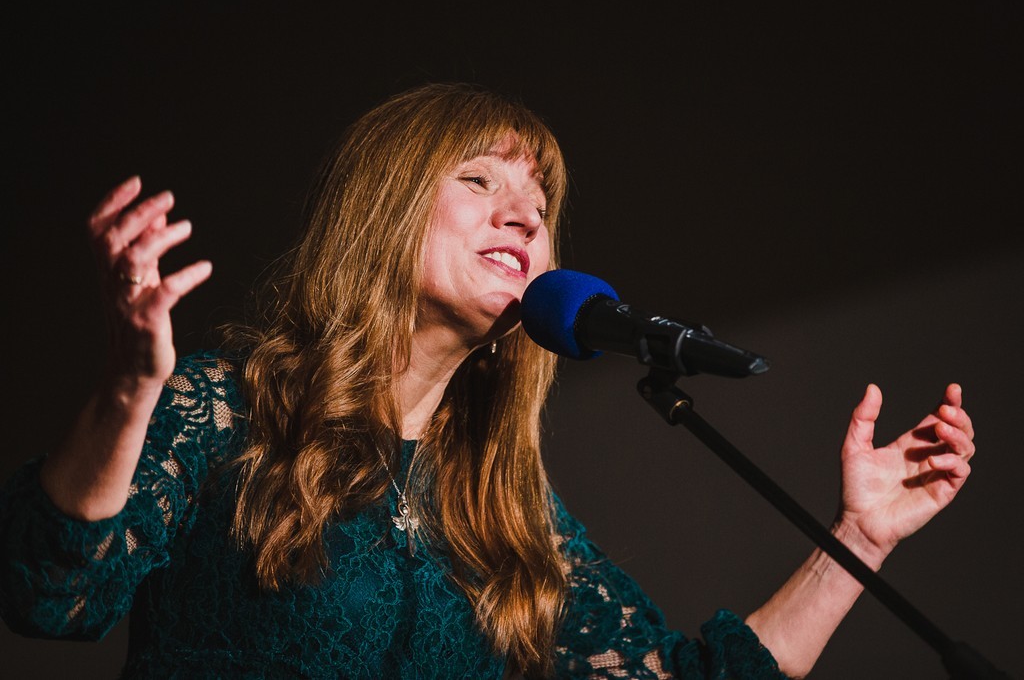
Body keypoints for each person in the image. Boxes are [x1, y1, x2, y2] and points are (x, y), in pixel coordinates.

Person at [0, 83, 975, 679]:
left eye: (538, 202)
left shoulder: (501, 506)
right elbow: (52, 595)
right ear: (385, 210)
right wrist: (129, 390)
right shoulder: (230, 409)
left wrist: (858, 538)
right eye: (480, 179)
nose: (524, 215)